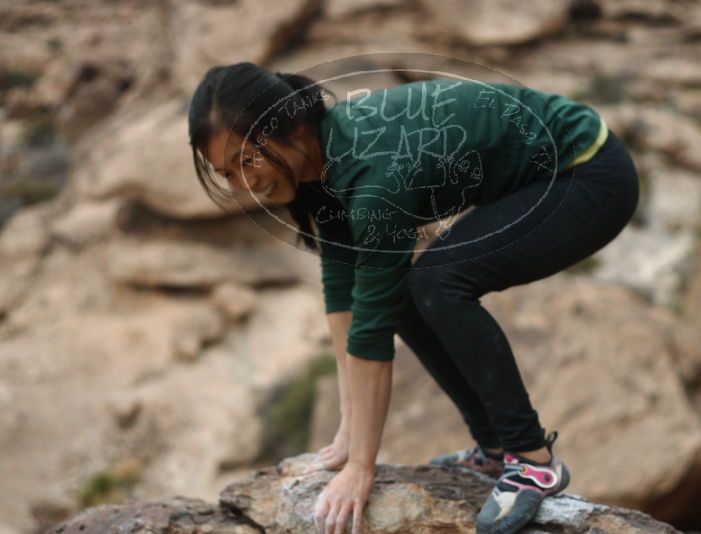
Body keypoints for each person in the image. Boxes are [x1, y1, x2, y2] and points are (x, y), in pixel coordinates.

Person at [187, 62, 640, 534]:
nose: (246, 183)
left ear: (292, 128)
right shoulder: (320, 165)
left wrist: (361, 469)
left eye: (247, 160)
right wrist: (348, 432)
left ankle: (532, 461)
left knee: (436, 284)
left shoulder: (374, 174)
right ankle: (492, 449)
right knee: (413, 288)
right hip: (548, 177)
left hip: (587, 173)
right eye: (226, 173)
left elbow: (372, 327)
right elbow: (343, 290)